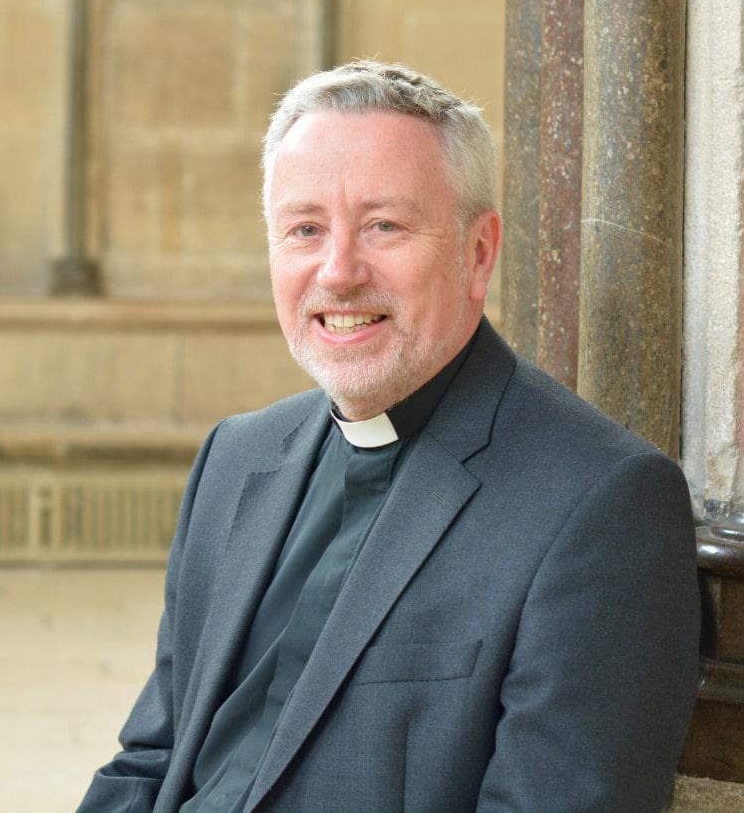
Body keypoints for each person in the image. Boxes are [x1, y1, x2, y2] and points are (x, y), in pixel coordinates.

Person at [78, 61, 699, 812]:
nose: (337, 273)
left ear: (478, 254)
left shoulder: (600, 505)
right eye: (305, 228)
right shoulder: (235, 457)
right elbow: (151, 760)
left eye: (384, 226)